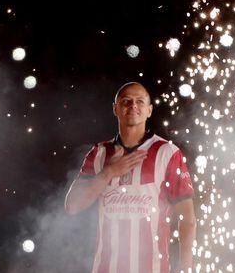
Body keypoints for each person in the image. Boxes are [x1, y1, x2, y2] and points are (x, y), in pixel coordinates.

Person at [65, 82, 196, 273]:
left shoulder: (167, 153)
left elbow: (188, 219)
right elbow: (72, 206)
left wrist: (186, 269)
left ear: (149, 110)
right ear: (115, 108)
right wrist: (108, 173)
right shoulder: (99, 153)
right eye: (126, 101)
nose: (133, 106)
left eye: (140, 101)